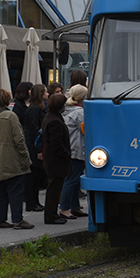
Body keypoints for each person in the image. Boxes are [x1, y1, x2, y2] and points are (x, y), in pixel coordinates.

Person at [0, 89, 34, 229]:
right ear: (7, 100)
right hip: (10, 157)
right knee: (15, 189)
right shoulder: (11, 116)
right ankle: (18, 220)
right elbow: (19, 139)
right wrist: (25, 156)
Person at [41, 93, 71, 224]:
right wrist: (66, 154)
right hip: (56, 160)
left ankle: (52, 214)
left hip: (52, 158)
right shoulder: (55, 121)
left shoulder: (50, 117)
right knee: (54, 188)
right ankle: (51, 215)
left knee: (53, 187)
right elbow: (56, 143)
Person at [60, 84, 87, 219]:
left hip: (71, 148)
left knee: (75, 179)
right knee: (71, 179)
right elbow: (86, 130)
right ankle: (64, 208)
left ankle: (74, 206)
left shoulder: (68, 110)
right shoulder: (80, 113)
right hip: (76, 149)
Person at [23, 84, 48, 212]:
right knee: (33, 175)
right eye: (45, 92)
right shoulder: (33, 110)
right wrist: (38, 149)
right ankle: (31, 202)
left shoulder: (40, 108)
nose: (47, 94)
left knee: (36, 176)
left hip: (37, 144)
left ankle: (35, 201)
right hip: (34, 146)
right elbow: (33, 130)